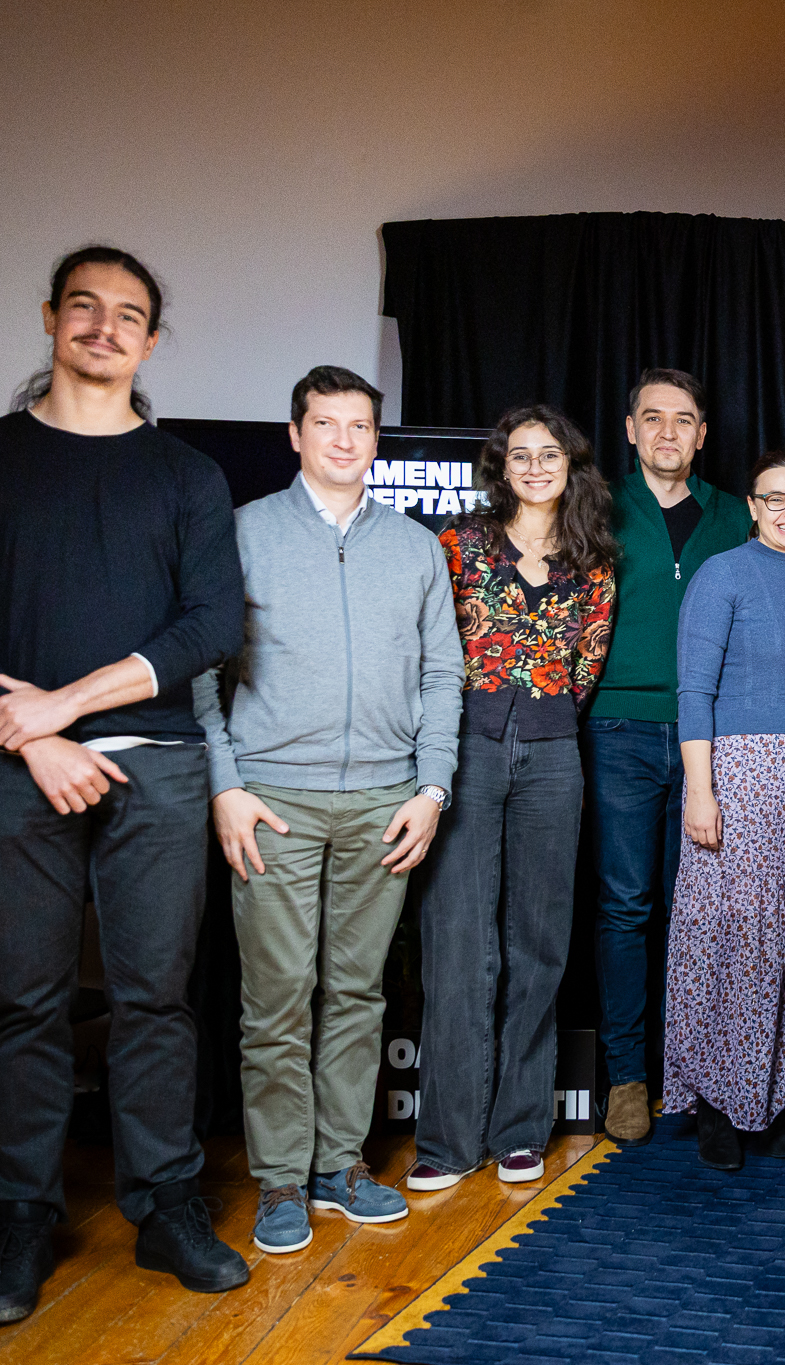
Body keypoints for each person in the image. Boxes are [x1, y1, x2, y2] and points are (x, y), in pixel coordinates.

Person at [0, 245, 249, 1326]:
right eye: (86, 307)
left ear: (150, 342)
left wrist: (65, 706)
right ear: (50, 317)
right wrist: (35, 738)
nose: (106, 327)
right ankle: (19, 1217)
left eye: (130, 315)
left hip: (155, 773)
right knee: (28, 1005)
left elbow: (210, 626)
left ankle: (164, 1205)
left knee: (157, 999)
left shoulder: (186, 475)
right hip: (15, 774)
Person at [193, 365, 462, 1257]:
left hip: (386, 804)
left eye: (360, 425)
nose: (345, 439)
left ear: (376, 439)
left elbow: (441, 674)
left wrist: (432, 789)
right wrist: (226, 786)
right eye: (326, 423)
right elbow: (200, 671)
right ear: (296, 433)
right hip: (272, 801)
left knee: (357, 992)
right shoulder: (242, 534)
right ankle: (278, 1179)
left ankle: (338, 1164)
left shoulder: (417, 547)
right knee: (273, 1000)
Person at [407, 405, 618, 1193]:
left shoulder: (594, 557)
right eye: (520, 454)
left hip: (554, 754)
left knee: (539, 942)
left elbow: (585, 667)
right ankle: (448, 1138)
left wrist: (540, 718)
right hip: (465, 749)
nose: (535, 466)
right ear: (501, 466)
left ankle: (521, 1128)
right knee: (460, 940)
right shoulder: (458, 546)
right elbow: (430, 651)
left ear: (571, 466)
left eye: (549, 453)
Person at [581, 368, 750, 1146]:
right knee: (626, 904)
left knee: (706, 910)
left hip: (711, 735)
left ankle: (700, 1071)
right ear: (630, 428)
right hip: (620, 727)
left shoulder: (734, 517)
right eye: (653, 418)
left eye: (683, 419)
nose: (668, 432)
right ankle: (627, 1077)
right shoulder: (599, 508)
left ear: (703, 433)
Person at [665, 452, 785, 1170]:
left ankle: (773, 1096)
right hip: (735, 774)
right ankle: (717, 1101)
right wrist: (700, 789)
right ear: (752, 505)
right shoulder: (723, 574)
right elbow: (693, 692)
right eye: (777, 499)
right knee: (732, 936)